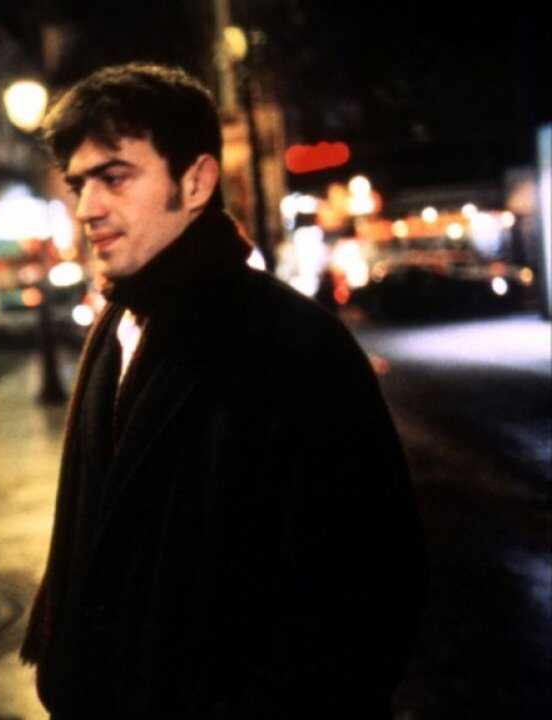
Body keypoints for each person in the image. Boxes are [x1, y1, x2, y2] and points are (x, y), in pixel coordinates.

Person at [21, 63, 426, 718]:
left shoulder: (292, 344)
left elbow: (369, 594)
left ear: (197, 181)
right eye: (78, 184)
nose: (88, 207)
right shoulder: (115, 330)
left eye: (115, 177)